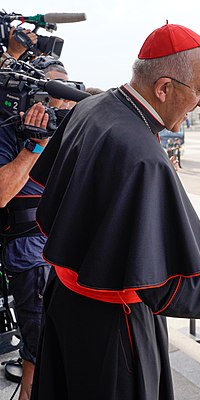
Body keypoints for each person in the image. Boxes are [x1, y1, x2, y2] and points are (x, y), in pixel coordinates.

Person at [28, 23, 200, 400]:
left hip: (64, 303)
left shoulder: (91, 108)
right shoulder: (144, 158)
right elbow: (165, 287)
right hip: (113, 327)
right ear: (163, 88)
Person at [0, 33, 70, 400]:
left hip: (66, 253)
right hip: (30, 256)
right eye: (54, 91)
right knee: (38, 346)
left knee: (56, 347)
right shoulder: (14, 130)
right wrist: (34, 145)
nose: (62, 100)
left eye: (67, 91)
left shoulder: (71, 129)